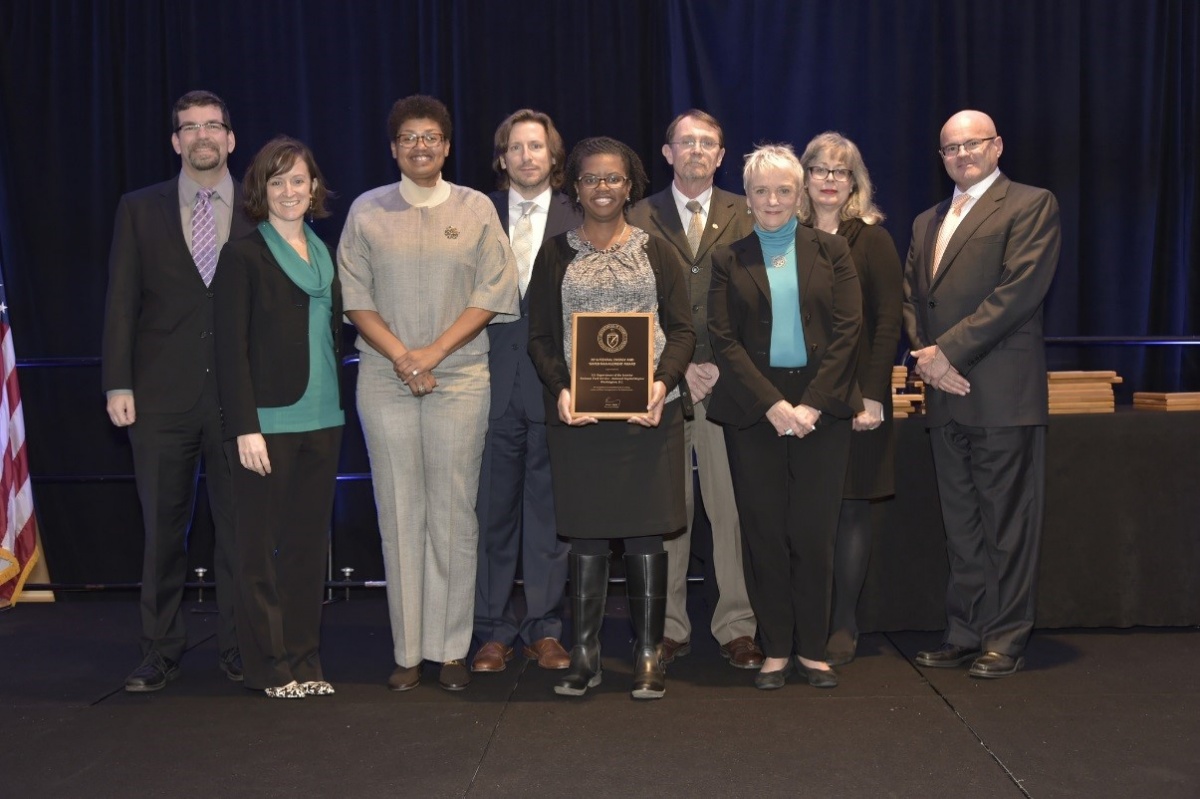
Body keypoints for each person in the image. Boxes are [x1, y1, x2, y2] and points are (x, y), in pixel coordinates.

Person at [338, 95, 519, 693]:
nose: (421, 146)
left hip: (460, 378)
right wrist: (402, 357)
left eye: (432, 137)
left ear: (447, 146)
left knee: (453, 514)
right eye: (409, 137)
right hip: (385, 382)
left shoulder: (475, 210)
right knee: (398, 511)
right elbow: (355, 297)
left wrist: (432, 354)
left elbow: (494, 290)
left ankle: (449, 651)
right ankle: (408, 651)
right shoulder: (367, 211)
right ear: (394, 148)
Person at [527, 136, 695, 700]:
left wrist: (661, 382)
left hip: (649, 417)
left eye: (614, 178)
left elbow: (685, 329)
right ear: (575, 187)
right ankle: (586, 654)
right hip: (581, 420)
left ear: (631, 185)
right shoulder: (554, 253)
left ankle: (648, 654)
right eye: (592, 178)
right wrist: (562, 388)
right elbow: (541, 337)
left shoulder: (658, 250)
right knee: (588, 539)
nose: (603, 188)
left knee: (647, 533)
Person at [904, 110, 1060, 678]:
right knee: (962, 524)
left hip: (1000, 392)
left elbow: (1018, 292)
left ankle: (1007, 636)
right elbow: (912, 300)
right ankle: (966, 630)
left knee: (1007, 524)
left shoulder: (1030, 203)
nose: (962, 154)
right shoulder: (927, 221)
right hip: (946, 394)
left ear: (998, 146)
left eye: (973, 144)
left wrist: (947, 353)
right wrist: (929, 359)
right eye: (950, 148)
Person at [102, 90, 248, 692]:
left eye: (213, 125)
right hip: (159, 400)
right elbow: (121, 303)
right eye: (189, 128)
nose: (201, 136)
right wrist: (117, 382)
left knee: (241, 531)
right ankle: (159, 649)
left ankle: (242, 648)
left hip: (242, 401)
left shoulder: (265, 208)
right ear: (175, 141)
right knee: (163, 531)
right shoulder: (139, 209)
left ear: (231, 139)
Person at [707, 143, 862, 690]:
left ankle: (813, 650)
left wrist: (812, 403)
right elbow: (723, 340)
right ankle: (775, 648)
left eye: (783, 189)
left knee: (813, 532)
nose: (772, 199)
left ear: (799, 195)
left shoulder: (832, 250)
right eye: (761, 190)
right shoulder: (729, 258)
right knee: (764, 531)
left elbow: (849, 331)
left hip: (822, 405)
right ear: (746, 197)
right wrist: (772, 404)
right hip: (756, 408)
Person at [627, 110, 762, 670]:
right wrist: (679, 367)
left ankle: (737, 624)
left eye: (708, 143)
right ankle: (669, 626)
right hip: (663, 383)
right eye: (687, 142)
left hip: (729, 382)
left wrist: (719, 366)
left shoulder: (749, 211)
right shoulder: (637, 215)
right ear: (667, 152)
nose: (697, 151)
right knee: (668, 508)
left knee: (730, 508)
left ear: (722, 155)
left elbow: (759, 300)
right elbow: (632, 303)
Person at [212, 136, 345, 699]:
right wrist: (245, 426)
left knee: (307, 549)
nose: (290, 191)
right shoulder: (242, 255)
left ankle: (305, 660)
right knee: (257, 551)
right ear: (260, 192)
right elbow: (228, 350)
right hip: (266, 424)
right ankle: (269, 667)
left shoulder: (324, 250)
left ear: (313, 187)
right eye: (277, 181)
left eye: (299, 180)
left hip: (325, 418)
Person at [471, 110, 581, 675]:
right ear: (503, 157)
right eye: (516, 147)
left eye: (537, 146)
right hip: (485, 380)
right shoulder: (473, 213)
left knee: (548, 513)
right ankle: (491, 630)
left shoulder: (581, 214)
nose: (527, 156)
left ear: (553, 156)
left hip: (555, 384)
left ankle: (545, 628)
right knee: (490, 513)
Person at [797, 132, 903, 665]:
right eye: (819, 169)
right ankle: (806, 619)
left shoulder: (873, 239)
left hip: (857, 398)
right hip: (801, 399)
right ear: (805, 177)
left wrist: (872, 395)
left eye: (840, 171)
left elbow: (887, 323)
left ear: (854, 181)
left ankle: (843, 623)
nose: (829, 180)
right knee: (809, 513)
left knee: (852, 509)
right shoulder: (784, 234)